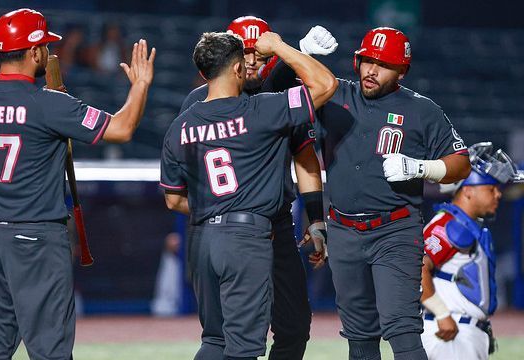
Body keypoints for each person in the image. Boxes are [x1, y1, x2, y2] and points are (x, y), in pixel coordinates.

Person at [0, 8, 154, 359]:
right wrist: (140, 85)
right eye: (46, 48)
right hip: (35, 240)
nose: (49, 54)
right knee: (51, 352)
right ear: (34, 52)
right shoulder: (48, 104)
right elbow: (122, 128)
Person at [161, 31, 336, 359]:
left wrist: (216, 209)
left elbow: (172, 199)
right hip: (249, 235)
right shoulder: (260, 111)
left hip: (202, 238)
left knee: (215, 340)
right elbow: (325, 84)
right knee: (244, 347)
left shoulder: (180, 125)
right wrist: (286, 48)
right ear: (239, 69)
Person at [313, 27, 472, 360]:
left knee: (402, 330)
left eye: (383, 64)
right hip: (343, 230)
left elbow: (461, 164)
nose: (372, 70)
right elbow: (275, 90)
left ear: (401, 70)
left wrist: (420, 168)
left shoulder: (422, 109)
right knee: (359, 337)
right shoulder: (335, 94)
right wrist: (299, 50)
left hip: (395, 230)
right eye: (367, 60)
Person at [421, 142, 524, 360]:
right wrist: (441, 313)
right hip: (451, 332)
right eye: (491, 188)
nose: (498, 195)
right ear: (467, 191)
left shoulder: (465, 225)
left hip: (461, 331)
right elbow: (415, 267)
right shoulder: (451, 225)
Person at [151, 232, 182, 317]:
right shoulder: (166, 259)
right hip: (164, 306)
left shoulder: (182, 261)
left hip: (178, 305)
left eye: (179, 244)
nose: (177, 246)